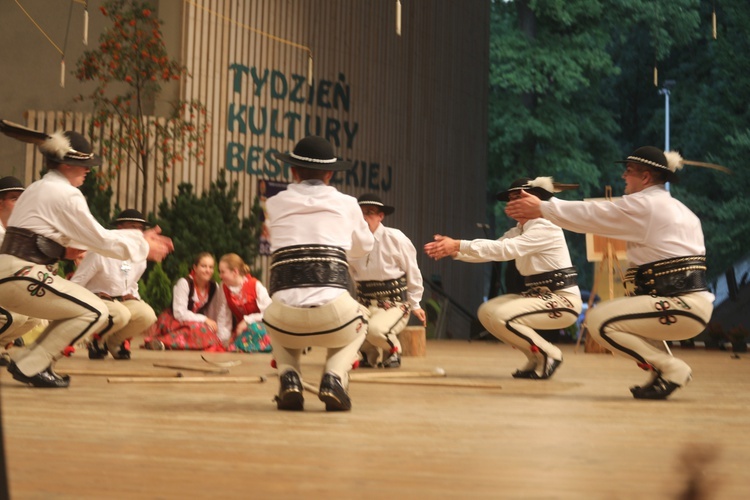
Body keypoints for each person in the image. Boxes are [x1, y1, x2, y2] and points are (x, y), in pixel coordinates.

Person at [505, 147, 715, 399]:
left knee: (599, 321)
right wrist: (544, 209)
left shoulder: (646, 205)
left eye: (628, 171)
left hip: (680, 305)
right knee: (625, 315)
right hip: (685, 305)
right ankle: (661, 371)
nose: (623, 176)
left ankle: (672, 368)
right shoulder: (677, 208)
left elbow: (593, 215)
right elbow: (596, 217)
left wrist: (543, 208)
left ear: (646, 177)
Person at [0, 123, 173, 387]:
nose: (89, 170)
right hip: (22, 275)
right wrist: (143, 242)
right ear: (67, 164)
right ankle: (32, 365)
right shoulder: (66, 194)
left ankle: (29, 361)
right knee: (95, 310)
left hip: (13, 273)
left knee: (83, 309)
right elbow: (100, 238)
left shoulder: (37, 188)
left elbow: (61, 237)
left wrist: (63, 250)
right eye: (85, 165)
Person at [424, 177, 582, 379]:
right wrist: (454, 251)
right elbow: (493, 251)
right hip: (537, 297)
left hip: (563, 300)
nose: (512, 202)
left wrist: (458, 244)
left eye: (518, 197)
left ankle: (550, 354)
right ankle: (536, 358)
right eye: (511, 198)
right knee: (487, 312)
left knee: (501, 316)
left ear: (535, 199)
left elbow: (506, 250)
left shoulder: (545, 226)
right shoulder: (518, 230)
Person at [262, 135, 374, 412]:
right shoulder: (348, 204)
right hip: (333, 319)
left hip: (283, 322)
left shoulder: (274, 203)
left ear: (293, 171)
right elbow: (365, 246)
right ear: (330, 174)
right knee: (364, 319)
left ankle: (289, 376)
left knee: (277, 315)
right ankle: (334, 377)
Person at [349, 193, 426, 368]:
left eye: (369, 213)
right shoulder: (351, 241)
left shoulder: (396, 238)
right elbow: (353, 274)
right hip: (365, 303)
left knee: (376, 330)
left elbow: (412, 270)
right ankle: (368, 354)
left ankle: (394, 351)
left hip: (394, 305)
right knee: (348, 326)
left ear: (380, 216)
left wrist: (415, 304)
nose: (364, 218)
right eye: (360, 214)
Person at [70, 209, 157, 360]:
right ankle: (96, 341)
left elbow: (132, 282)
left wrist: (134, 296)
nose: (137, 232)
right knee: (121, 314)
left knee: (148, 315)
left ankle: (114, 342)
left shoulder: (139, 254)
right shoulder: (100, 251)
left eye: (140, 228)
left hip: (120, 301)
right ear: (120, 228)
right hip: (96, 300)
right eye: (132, 227)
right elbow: (78, 281)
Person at [0, 176, 47, 363]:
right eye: (14, 198)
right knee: (13, 317)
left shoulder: (18, 230)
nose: (20, 204)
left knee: (33, 316)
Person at [144, 252, 231, 351]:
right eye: (203, 266)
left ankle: (163, 344)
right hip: (174, 320)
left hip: (197, 323)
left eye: (211, 267)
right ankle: (162, 342)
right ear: (195, 267)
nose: (208, 270)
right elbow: (179, 313)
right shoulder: (184, 283)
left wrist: (213, 327)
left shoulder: (214, 286)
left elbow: (213, 312)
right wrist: (204, 319)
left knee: (207, 331)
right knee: (197, 330)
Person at [217, 253, 272, 353]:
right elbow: (224, 316)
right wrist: (223, 339)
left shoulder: (255, 285)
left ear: (235, 272)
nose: (220, 276)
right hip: (242, 329)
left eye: (222, 272)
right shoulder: (224, 287)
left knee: (255, 329)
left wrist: (247, 320)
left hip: (262, 326)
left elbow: (270, 313)